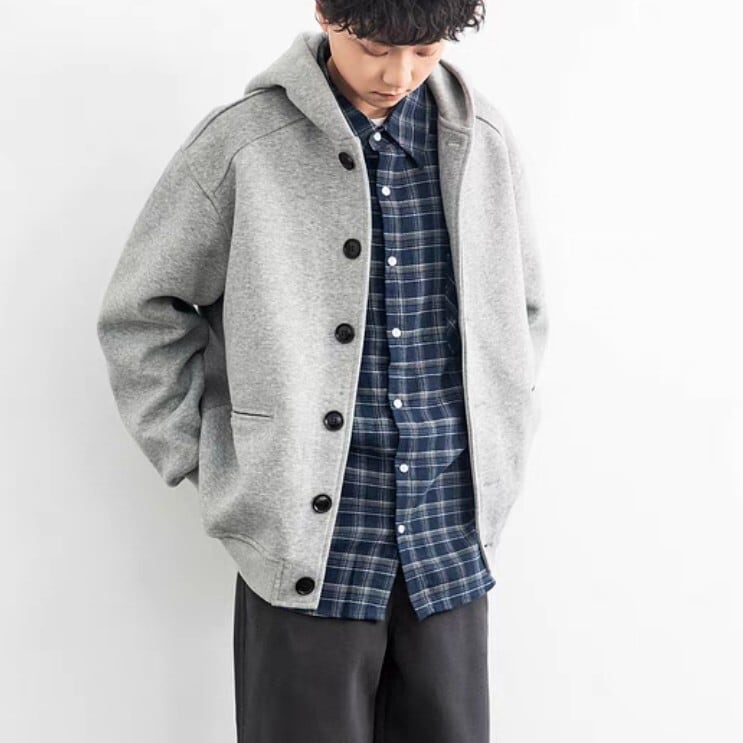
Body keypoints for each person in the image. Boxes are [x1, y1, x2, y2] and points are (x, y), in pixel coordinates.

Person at [96, 1, 549, 740]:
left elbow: (522, 309)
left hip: (449, 542)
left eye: (425, 51)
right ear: (326, 12)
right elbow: (141, 314)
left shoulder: (481, 143)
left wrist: (503, 440)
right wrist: (219, 465)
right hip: (308, 553)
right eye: (375, 47)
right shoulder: (244, 144)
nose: (398, 74)